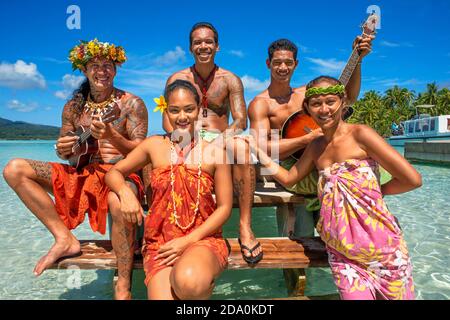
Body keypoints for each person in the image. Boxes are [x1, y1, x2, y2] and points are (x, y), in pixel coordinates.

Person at [245, 75, 421, 300]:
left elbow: (412, 179)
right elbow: (289, 179)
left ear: (343, 102)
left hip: (383, 248)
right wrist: (259, 153)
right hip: (343, 254)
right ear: (307, 108)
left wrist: (375, 191)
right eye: (316, 103)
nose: (324, 109)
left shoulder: (360, 134)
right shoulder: (316, 146)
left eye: (330, 101)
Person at [2, 39, 148, 300]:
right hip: (82, 174)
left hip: (122, 173)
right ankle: (64, 238)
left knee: (118, 200)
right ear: (84, 70)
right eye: (95, 65)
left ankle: (123, 283)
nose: (101, 70)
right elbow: (68, 153)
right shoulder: (73, 107)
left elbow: (140, 153)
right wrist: (63, 149)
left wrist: (113, 136)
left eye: (107, 65)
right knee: (15, 169)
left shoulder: (131, 103)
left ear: (115, 70)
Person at [105, 79, 232, 300]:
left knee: (190, 283)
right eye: (174, 110)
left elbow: (224, 208)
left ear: (199, 110)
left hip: (203, 238)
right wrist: (125, 194)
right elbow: (113, 173)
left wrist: (187, 241)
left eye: (189, 109)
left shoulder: (216, 152)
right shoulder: (154, 145)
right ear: (166, 111)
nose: (182, 117)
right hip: (160, 243)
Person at [248, 37, 374, 235]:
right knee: (301, 237)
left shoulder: (306, 94)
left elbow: (347, 97)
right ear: (268, 64)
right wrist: (307, 139)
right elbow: (262, 147)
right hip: (293, 169)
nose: (283, 67)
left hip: (323, 163)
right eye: (277, 62)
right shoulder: (260, 104)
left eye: (288, 63)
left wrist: (358, 60)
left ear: (296, 64)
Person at [162, 22, 262, 264]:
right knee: (154, 151)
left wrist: (220, 141)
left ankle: (245, 227)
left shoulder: (230, 80)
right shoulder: (177, 78)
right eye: (197, 42)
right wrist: (185, 139)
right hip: (186, 135)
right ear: (190, 47)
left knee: (242, 147)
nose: (203, 46)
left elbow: (240, 120)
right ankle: (160, 227)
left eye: (208, 42)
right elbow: (167, 120)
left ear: (217, 46)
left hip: (221, 137)